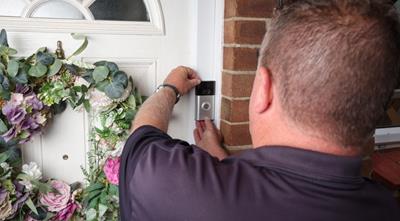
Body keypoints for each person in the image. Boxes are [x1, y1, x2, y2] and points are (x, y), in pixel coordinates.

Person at [119, 0, 400, 220]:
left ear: (263, 89)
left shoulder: (166, 179)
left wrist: (170, 88)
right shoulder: (385, 208)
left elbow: (142, 136)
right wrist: (221, 161)